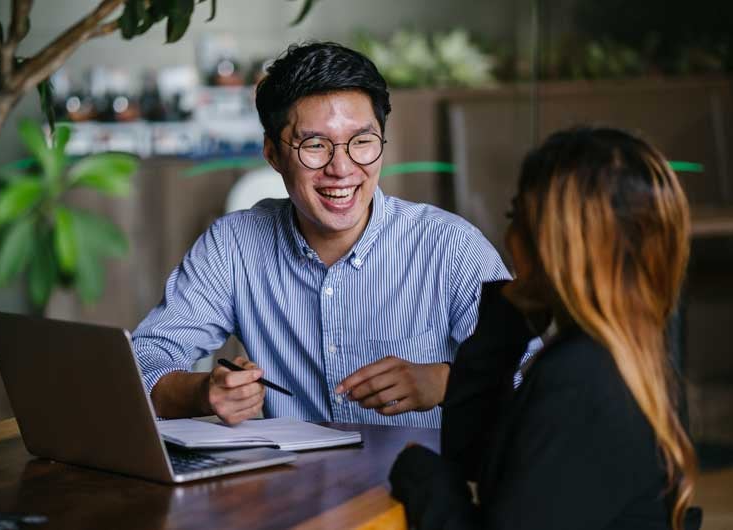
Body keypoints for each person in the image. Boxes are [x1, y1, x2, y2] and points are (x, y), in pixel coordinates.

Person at [131, 41, 514, 427]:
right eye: (315, 145)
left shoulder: (451, 247)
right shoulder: (234, 246)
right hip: (292, 484)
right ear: (273, 155)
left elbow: (533, 379)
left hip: (420, 483)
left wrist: (446, 382)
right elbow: (142, 361)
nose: (342, 168)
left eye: (362, 142)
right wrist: (202, 393)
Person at [389, 127, 701, 529]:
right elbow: (475, 459)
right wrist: (507, 317)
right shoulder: (637, 355)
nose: (508, 237)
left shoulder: (579, 375)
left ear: (555, 241)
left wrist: (421, 476)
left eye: (516, 216)